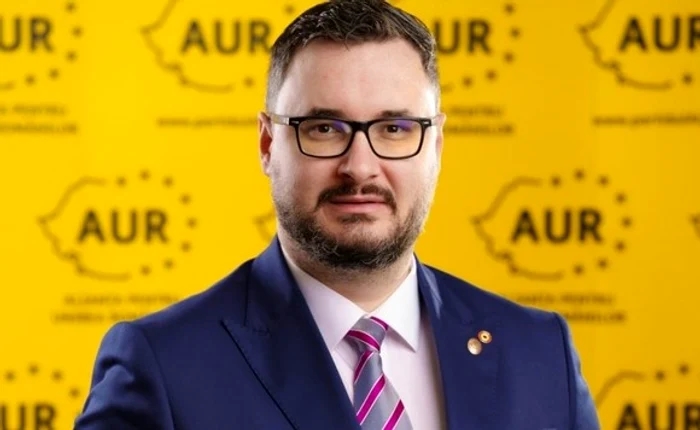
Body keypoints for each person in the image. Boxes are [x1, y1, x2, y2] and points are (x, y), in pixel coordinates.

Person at [74, 0, 600, 429]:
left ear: (436, 145)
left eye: (395, 129)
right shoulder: (164, 366)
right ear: (267, 144)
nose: (360, 167)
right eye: (324, 129)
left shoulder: (540, 354)